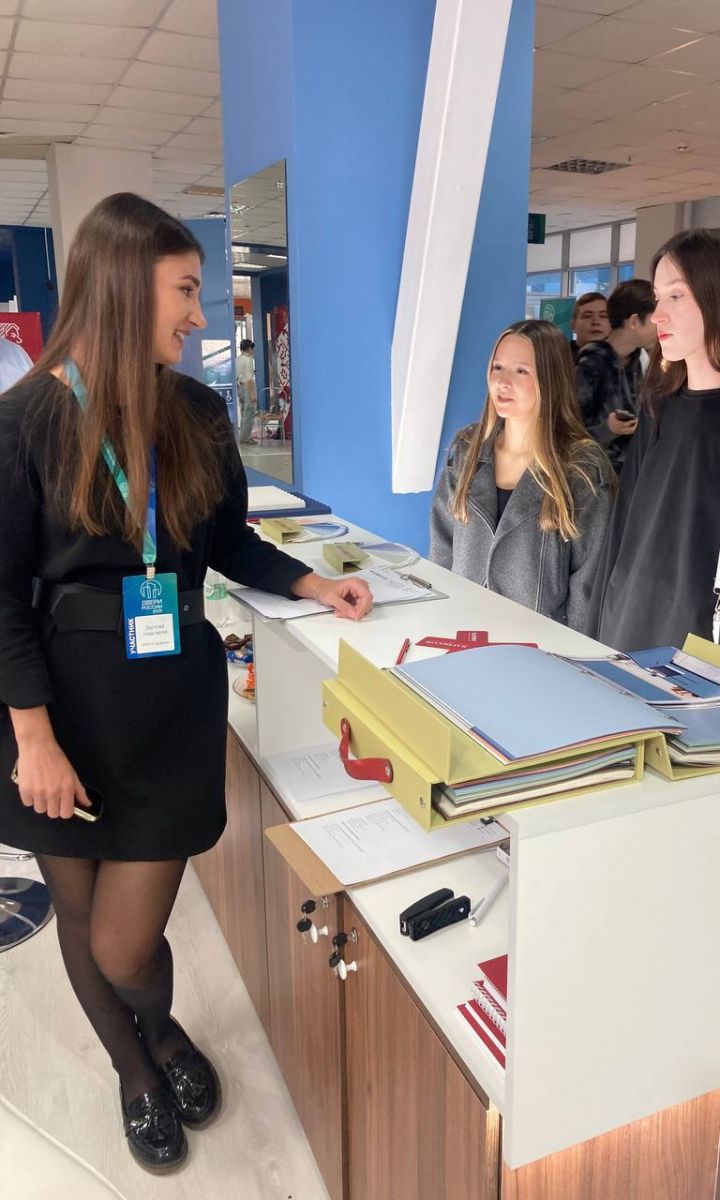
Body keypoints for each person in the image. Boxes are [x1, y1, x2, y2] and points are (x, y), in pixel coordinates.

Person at [0, 194, 372, 1173]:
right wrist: (32, 737)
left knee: (125, 942)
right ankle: (137, 1069)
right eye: (185, 290)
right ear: (126, 290)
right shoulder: (26, 419)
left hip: (169, 711)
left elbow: (229, 540)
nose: (201, 316)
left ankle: (159, 1029)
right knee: (79, 919)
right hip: (59, 718)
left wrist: (311, 583)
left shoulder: (199, 413)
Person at [589, 228, 720, 652]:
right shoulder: (658, 405)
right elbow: (624, 528)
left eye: (676, 296)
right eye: (657, 298)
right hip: (626, 626)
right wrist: (596, 632)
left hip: (698, 646)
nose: (658, 315)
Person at [430, 319, 614, 634]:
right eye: (497, 367)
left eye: (521, 371)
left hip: (539, 643)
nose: (503, 382)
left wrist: (576, 652)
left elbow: (588, 581)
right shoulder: (466, 449)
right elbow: (441, 549)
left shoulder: (581, 468)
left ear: (550, 378)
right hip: (463, 632)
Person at [574, 278, 658, 471]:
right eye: (654, 319)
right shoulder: (592, 363)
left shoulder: (639, 360)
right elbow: (568, 431)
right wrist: (608, 429)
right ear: (634, 321)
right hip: (596, 476)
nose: (660, 325)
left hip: (631, 472)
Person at [569, 291, 610, 360]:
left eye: (603, 316)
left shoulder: (620, 361)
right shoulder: (560, 359)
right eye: (587, 316)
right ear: (573, 324)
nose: (596, 322)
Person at [236, 337, 257, 444]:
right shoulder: (249, 360)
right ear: (249, 348)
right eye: (252, 348)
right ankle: (246, 438)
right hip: (248, 387)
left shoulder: (238, 359)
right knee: (249, 413)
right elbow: (249, 379)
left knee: (243, 412)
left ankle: (242, 436)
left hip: (240, 387)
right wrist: (252, 394)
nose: (252, 351)